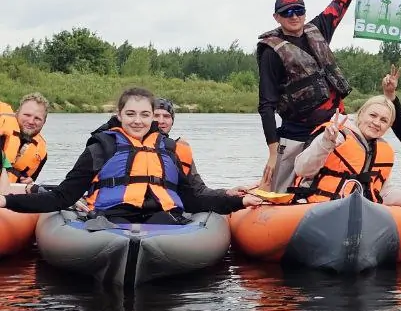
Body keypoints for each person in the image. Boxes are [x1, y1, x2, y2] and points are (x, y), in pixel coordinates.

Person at [0, 87, 262, 222]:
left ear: (153, 117)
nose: (138, 121)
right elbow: (63, 196)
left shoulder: (169, 150)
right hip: (110, 221)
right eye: (131, 114)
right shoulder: (101, 147)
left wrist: (238, 202)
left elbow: (193, 198)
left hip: (165, 221)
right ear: (119, 115)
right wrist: (7, 202)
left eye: (145, 115)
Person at [257, 0, 360, 191]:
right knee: (278, 191)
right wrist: (272, 151)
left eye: (298, 10)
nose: (294, 16)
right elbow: (266, 106)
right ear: (277, 18)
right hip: (295, 131)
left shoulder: (321, 28)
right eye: (287, 12)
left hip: (333, 125)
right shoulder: (272, 52)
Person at [290, 96, 401, 209]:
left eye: (384, 120)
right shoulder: (336, 135)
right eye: (373, 115)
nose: (377, 123)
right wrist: (325, 142)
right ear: (361, 114)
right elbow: (302, 169)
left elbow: (386, 193)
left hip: (354, 213)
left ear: (388, 126)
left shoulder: (382, 150)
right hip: (316, 208)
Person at [1, 94, 50, 187]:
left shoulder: (41, 155)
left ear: (44, 122)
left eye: (37, 118)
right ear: (16, 113)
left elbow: (29, 180)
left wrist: (28, 182)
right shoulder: (2, 131)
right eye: (27, 115)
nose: (31, 121)